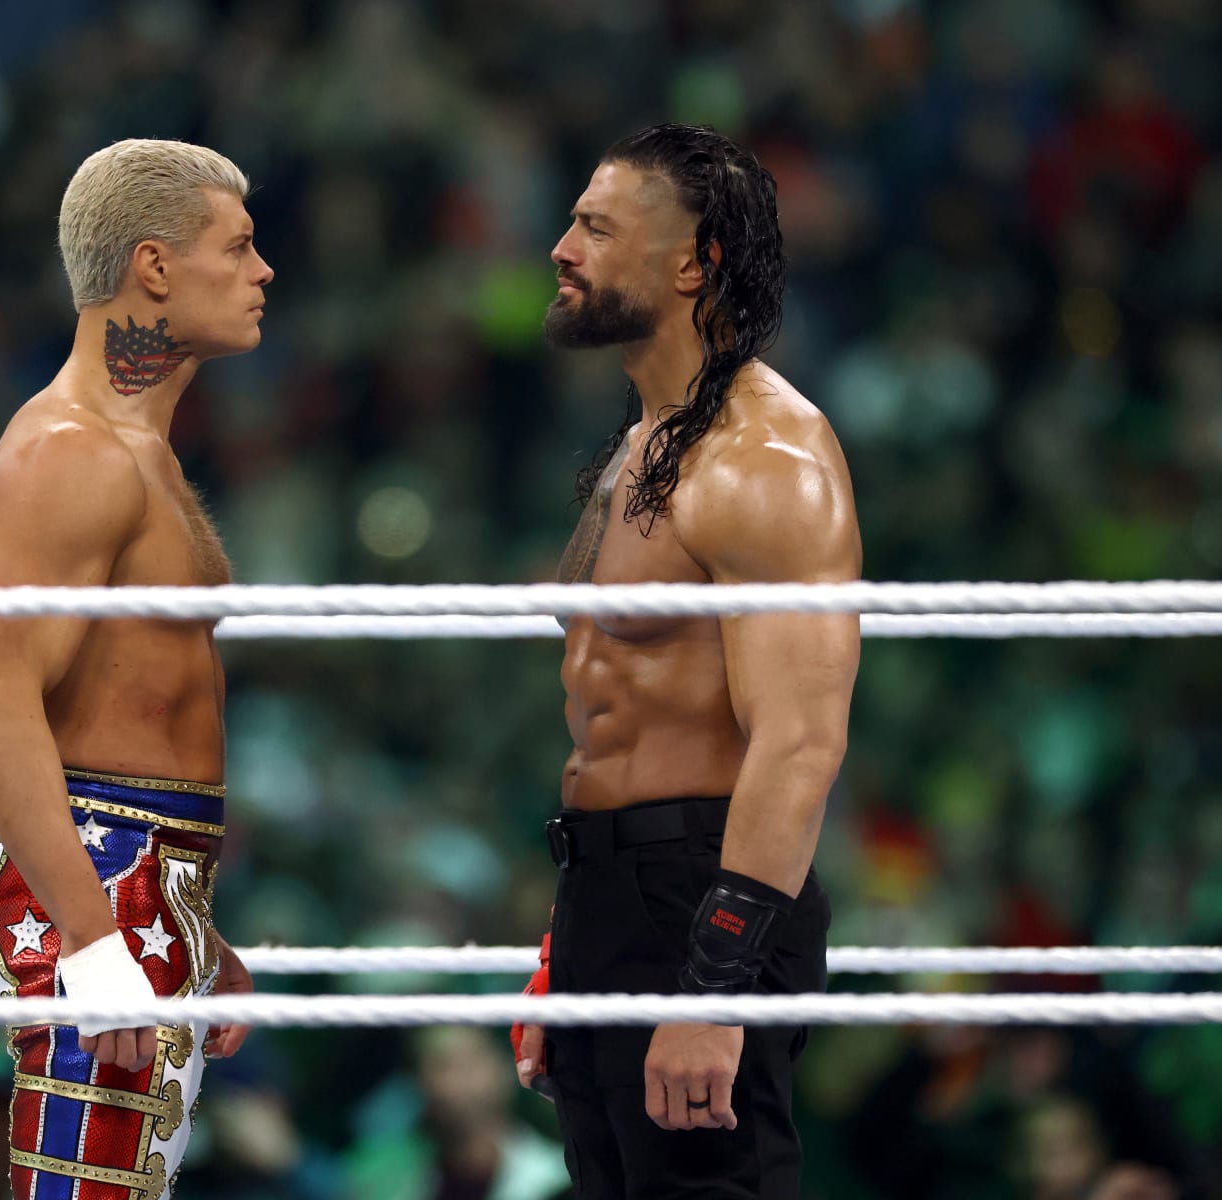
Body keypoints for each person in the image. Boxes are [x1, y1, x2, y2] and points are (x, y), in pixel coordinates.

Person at [511, 123, 861, 1199]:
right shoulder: (641, 441)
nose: (562, 247)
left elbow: (798, 744)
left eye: (596, 227)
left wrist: (712, 989)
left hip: (704, 902)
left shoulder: (767, 461)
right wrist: (561, 947)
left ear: (690, 262)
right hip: (610, 897)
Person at [0, 137, 273, 1200]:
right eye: (238, 246)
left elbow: (129, 700)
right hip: (102, 879)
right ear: (154, 268)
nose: (264, 270)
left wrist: (187, 917)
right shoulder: (70, 453)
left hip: (142, 875)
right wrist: (96, 941)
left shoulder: (138, 451)